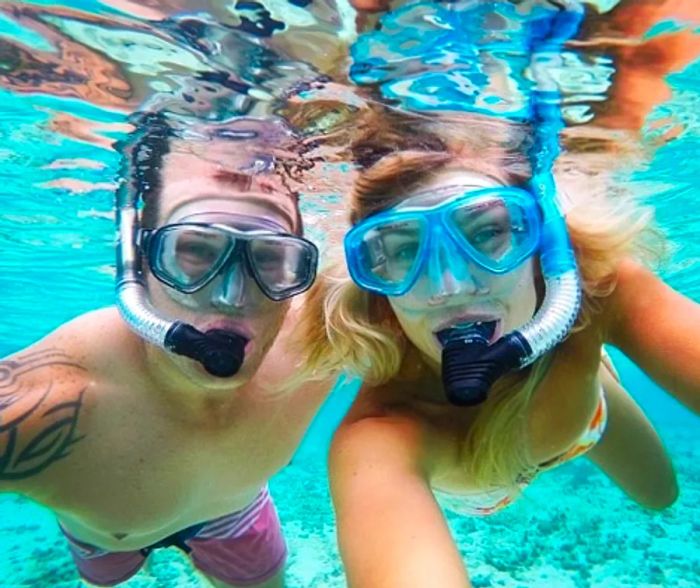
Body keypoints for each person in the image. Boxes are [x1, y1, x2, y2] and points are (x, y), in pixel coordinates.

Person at [296, 109, 698, 586]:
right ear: (379, 281)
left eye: (486, 232)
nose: (451, 286)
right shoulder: (384, 432)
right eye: (405, 251)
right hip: (483, 487)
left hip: (580, 422)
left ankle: (592, 372)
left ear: (543, 245)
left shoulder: (595, 289)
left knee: (661, 495)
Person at [0, 113, 331, 587]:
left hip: (234, 513)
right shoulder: (47, 402)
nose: (232, 297)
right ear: (138, 263)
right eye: (194, 250)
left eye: (270, 256)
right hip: (105, 535)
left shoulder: (323, 336)